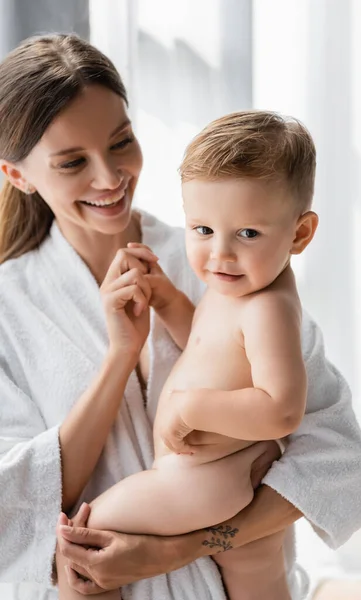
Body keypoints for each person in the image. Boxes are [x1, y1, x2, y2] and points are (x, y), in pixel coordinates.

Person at [0, 33, 361, 600]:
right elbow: (18, 504)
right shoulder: (9, 307)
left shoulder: (227, 260)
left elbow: (335, 453)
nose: (109, 178)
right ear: (18, 176)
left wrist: (178, 550)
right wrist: (120, 355)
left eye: (121, 142)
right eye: (74, 161)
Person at [55, 109, 319, 600]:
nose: (220, 254)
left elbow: (283, 409)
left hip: (202, 475)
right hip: (223, 471)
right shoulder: (241, 283)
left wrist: (190, 408)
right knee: (258, 575)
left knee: (87, 543)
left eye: (248, 234)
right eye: (201, 230)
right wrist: (171, 301)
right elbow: (209, 345)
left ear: (300, 234)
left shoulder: (269, 307)